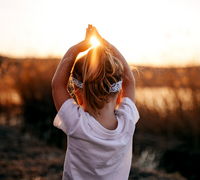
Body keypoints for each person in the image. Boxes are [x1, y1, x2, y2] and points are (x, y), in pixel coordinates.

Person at [51, 24, 139, 180]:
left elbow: (57, 85)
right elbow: (130, 82)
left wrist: (75, 50)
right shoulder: (128, 121)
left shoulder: (77, 123)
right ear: (118, 94)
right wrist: (107, 45)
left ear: (77, 93)